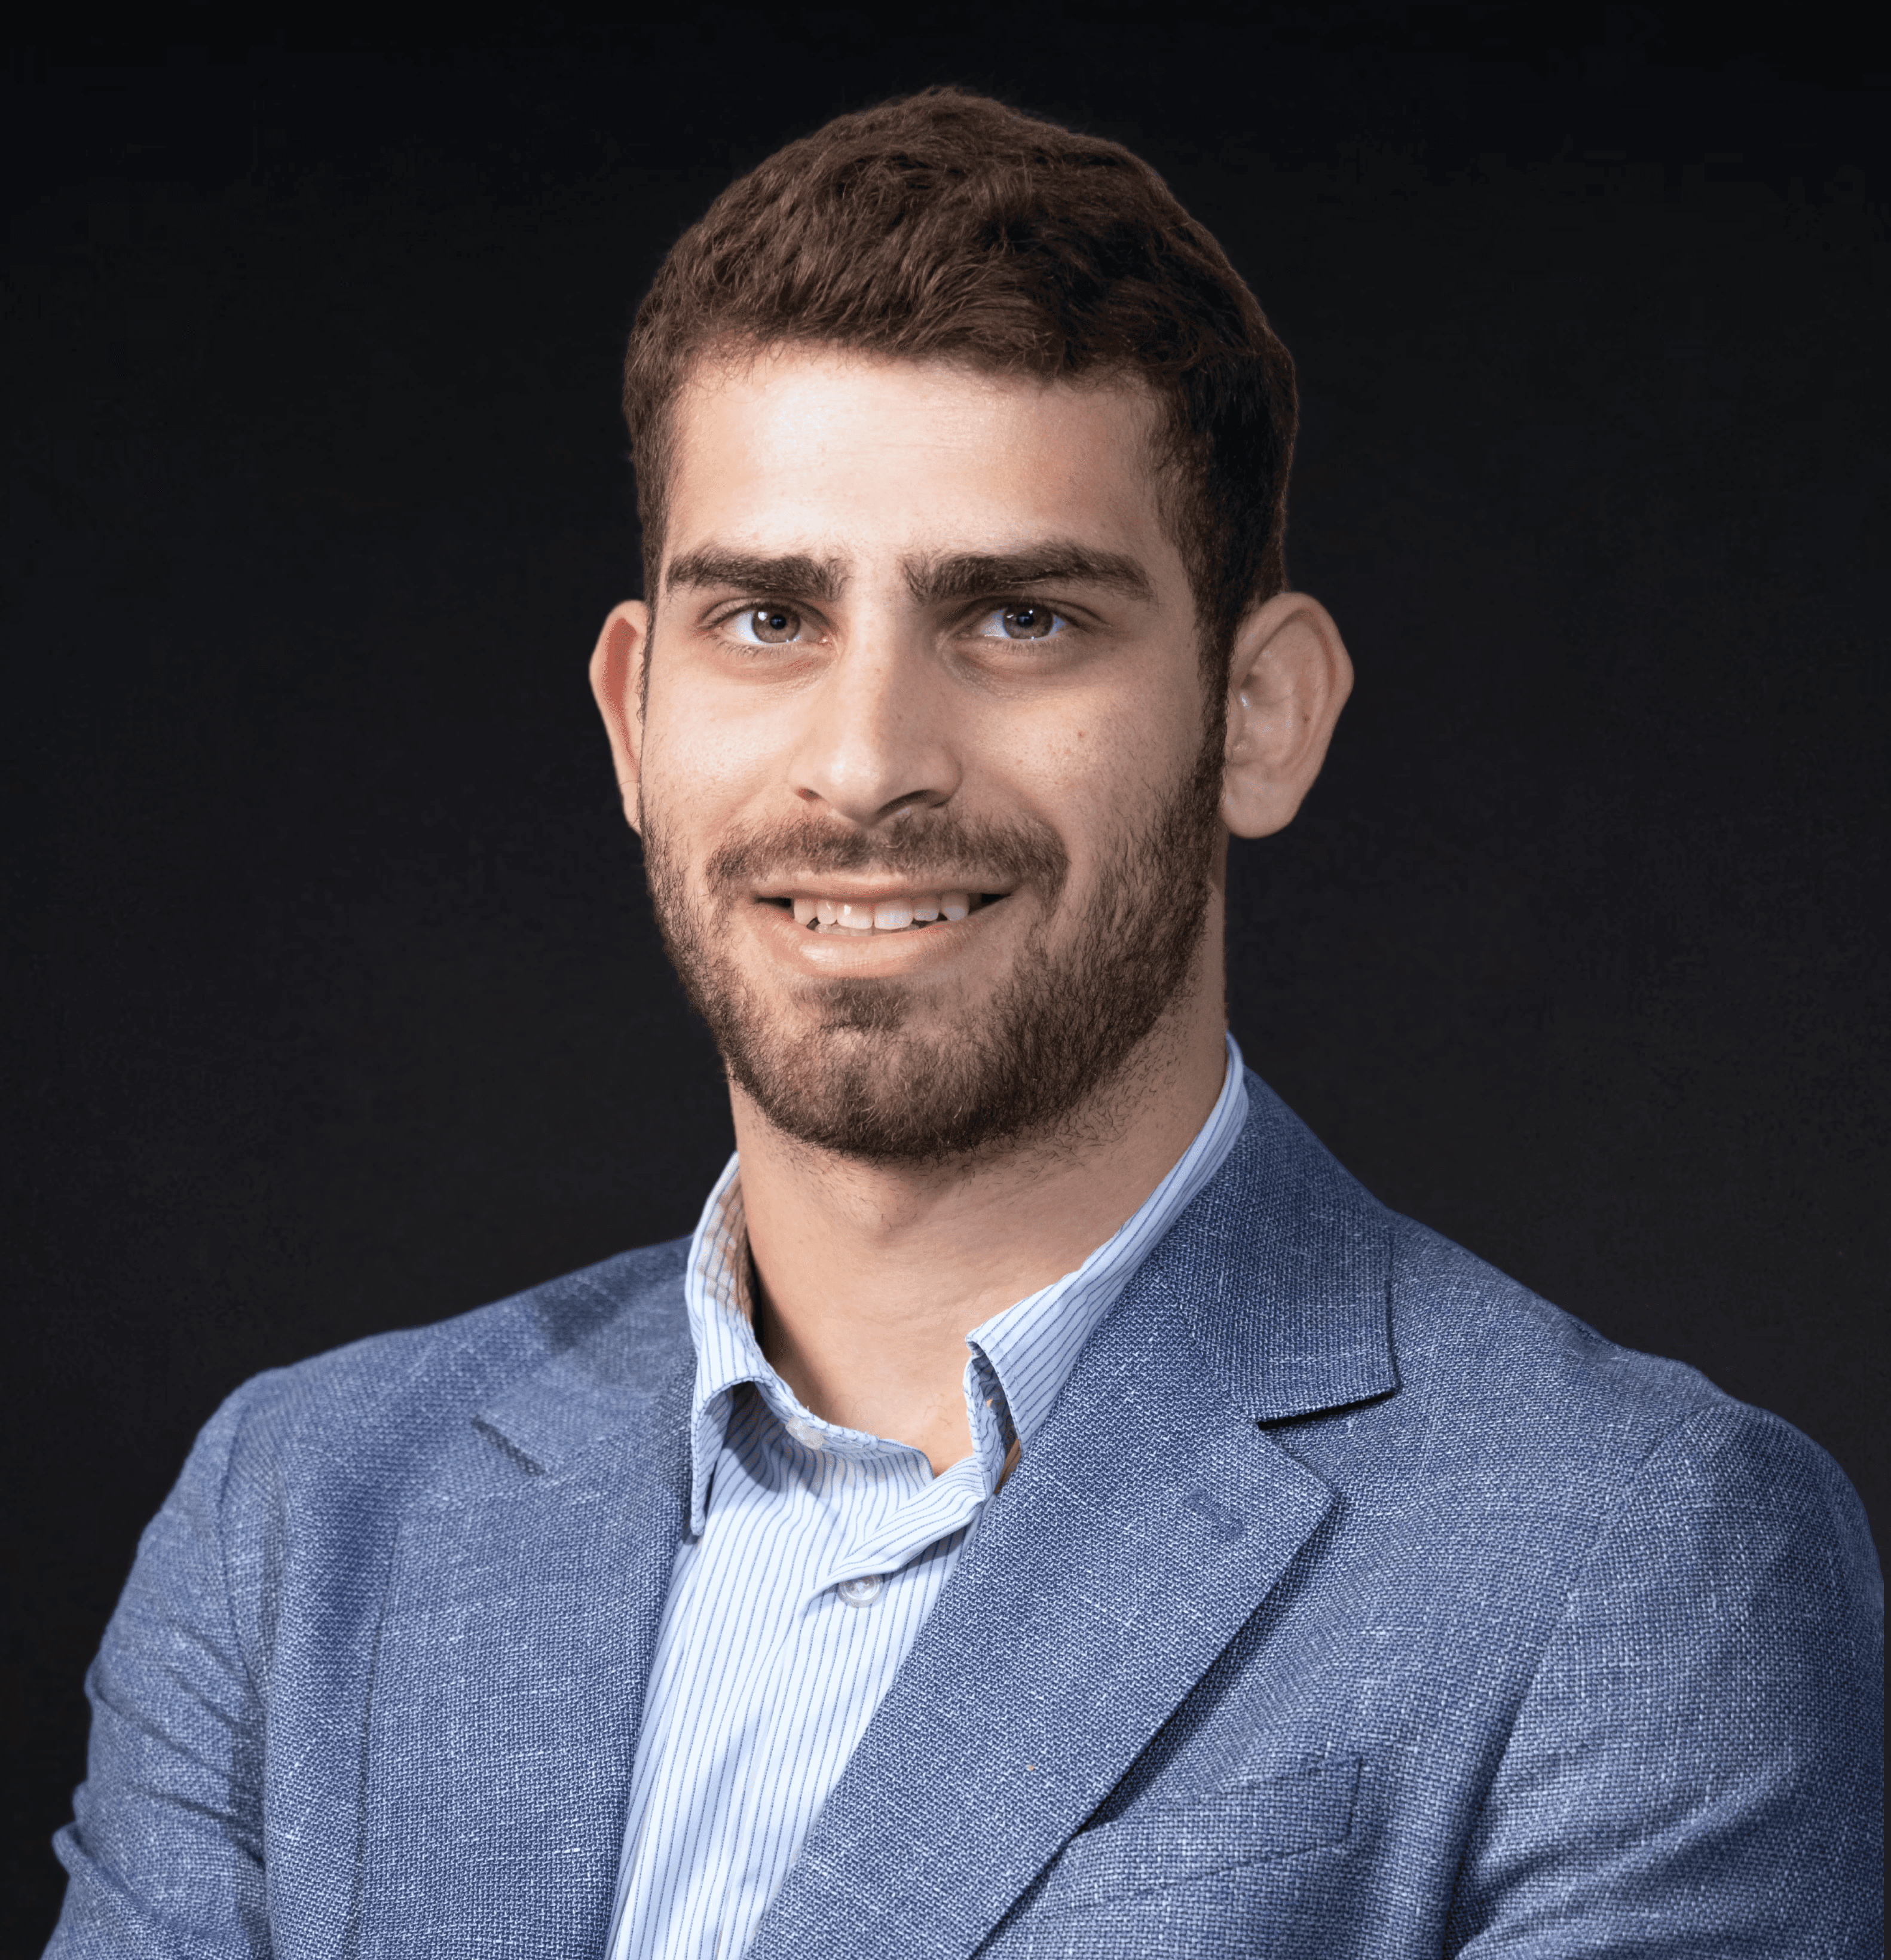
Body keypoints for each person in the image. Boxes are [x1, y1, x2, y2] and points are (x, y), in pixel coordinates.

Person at [45, 87, 1880, 1960]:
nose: (863, 767)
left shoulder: (1630, 1562)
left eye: (1015, 619)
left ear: (1258, 715)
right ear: (631, 715)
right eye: (765, 618)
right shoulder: (306, 1516)